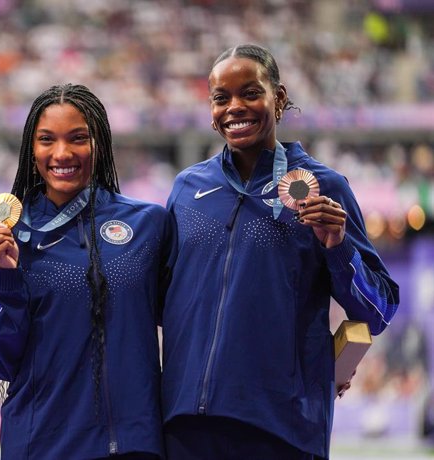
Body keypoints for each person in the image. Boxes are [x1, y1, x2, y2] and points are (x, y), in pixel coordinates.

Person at [161, 43, 400, 460]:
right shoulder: (187, 189)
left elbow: (379, 310)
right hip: (187, 428)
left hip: (281, 430)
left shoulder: (325, 188)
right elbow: (158, 301)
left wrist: (339, 249)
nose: (235, 107)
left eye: (251, 92)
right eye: (222, 98)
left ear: (280, 98)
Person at [0, 83, 176, 459]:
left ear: (98, 143)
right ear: (30, 149)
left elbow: (187, 322)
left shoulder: (149, 224)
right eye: (47, 139)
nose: (62, 153)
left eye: (78, 138)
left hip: (134, 444)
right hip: (42, 444)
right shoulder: (8, 233)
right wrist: (6, 276)